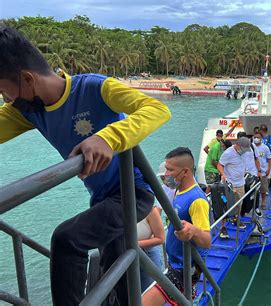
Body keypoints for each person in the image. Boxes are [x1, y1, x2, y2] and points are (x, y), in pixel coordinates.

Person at [0, 26, 171, 305]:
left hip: (134, 192)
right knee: (115, 271)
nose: (6, 99)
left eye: (4, 91)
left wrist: (108, 137)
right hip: (101, 199)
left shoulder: (95, 87)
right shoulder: (28, 112)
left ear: (27, 79)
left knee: (67, 240)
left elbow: (156, 109)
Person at [142, 147, 211, 306]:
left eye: (170, 170)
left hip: (185, 268)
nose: (166, 174)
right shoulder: (177, 191)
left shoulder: (197, 200)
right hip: (175, 263)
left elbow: (207, 241)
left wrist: (193, 230)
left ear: (185, 172)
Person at [217, 137, 252, 239]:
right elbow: (220, 165)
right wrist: (223, 175)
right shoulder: (228, 153)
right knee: (225, 206)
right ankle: (222, 227)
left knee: (239, 204)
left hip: (240, 183)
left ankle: (236, 219)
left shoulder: (243, 153)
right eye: (243, 149)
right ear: (237, 145)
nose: (245, 151)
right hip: (229, 184)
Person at [138, 204, 166, 292]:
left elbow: (161, 238)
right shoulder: (115, 208)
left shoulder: (150, 210)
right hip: (123, 254)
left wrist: (134, 244)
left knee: (149, 291)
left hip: (147, 254)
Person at [237, 131, 262, 217]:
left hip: (253, 173)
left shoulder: (252, 146)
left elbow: (256, 159)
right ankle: (243, 211)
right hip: (242, 175)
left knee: (256, 191)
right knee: (243, 193)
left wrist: (259, 171)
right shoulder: (236, 148)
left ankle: (256, 208)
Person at [253, 131, 271, 209]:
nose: (256, 139)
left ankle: (263, 202)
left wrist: (268, 169)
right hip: (253, 172)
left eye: (258, 137)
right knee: (253, 189)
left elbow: (270, 158)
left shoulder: (265, 147)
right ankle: (253, 203)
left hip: (263, 172)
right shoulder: (251, 147)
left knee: (263, 189)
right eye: (255, 137)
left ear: (261, 138)